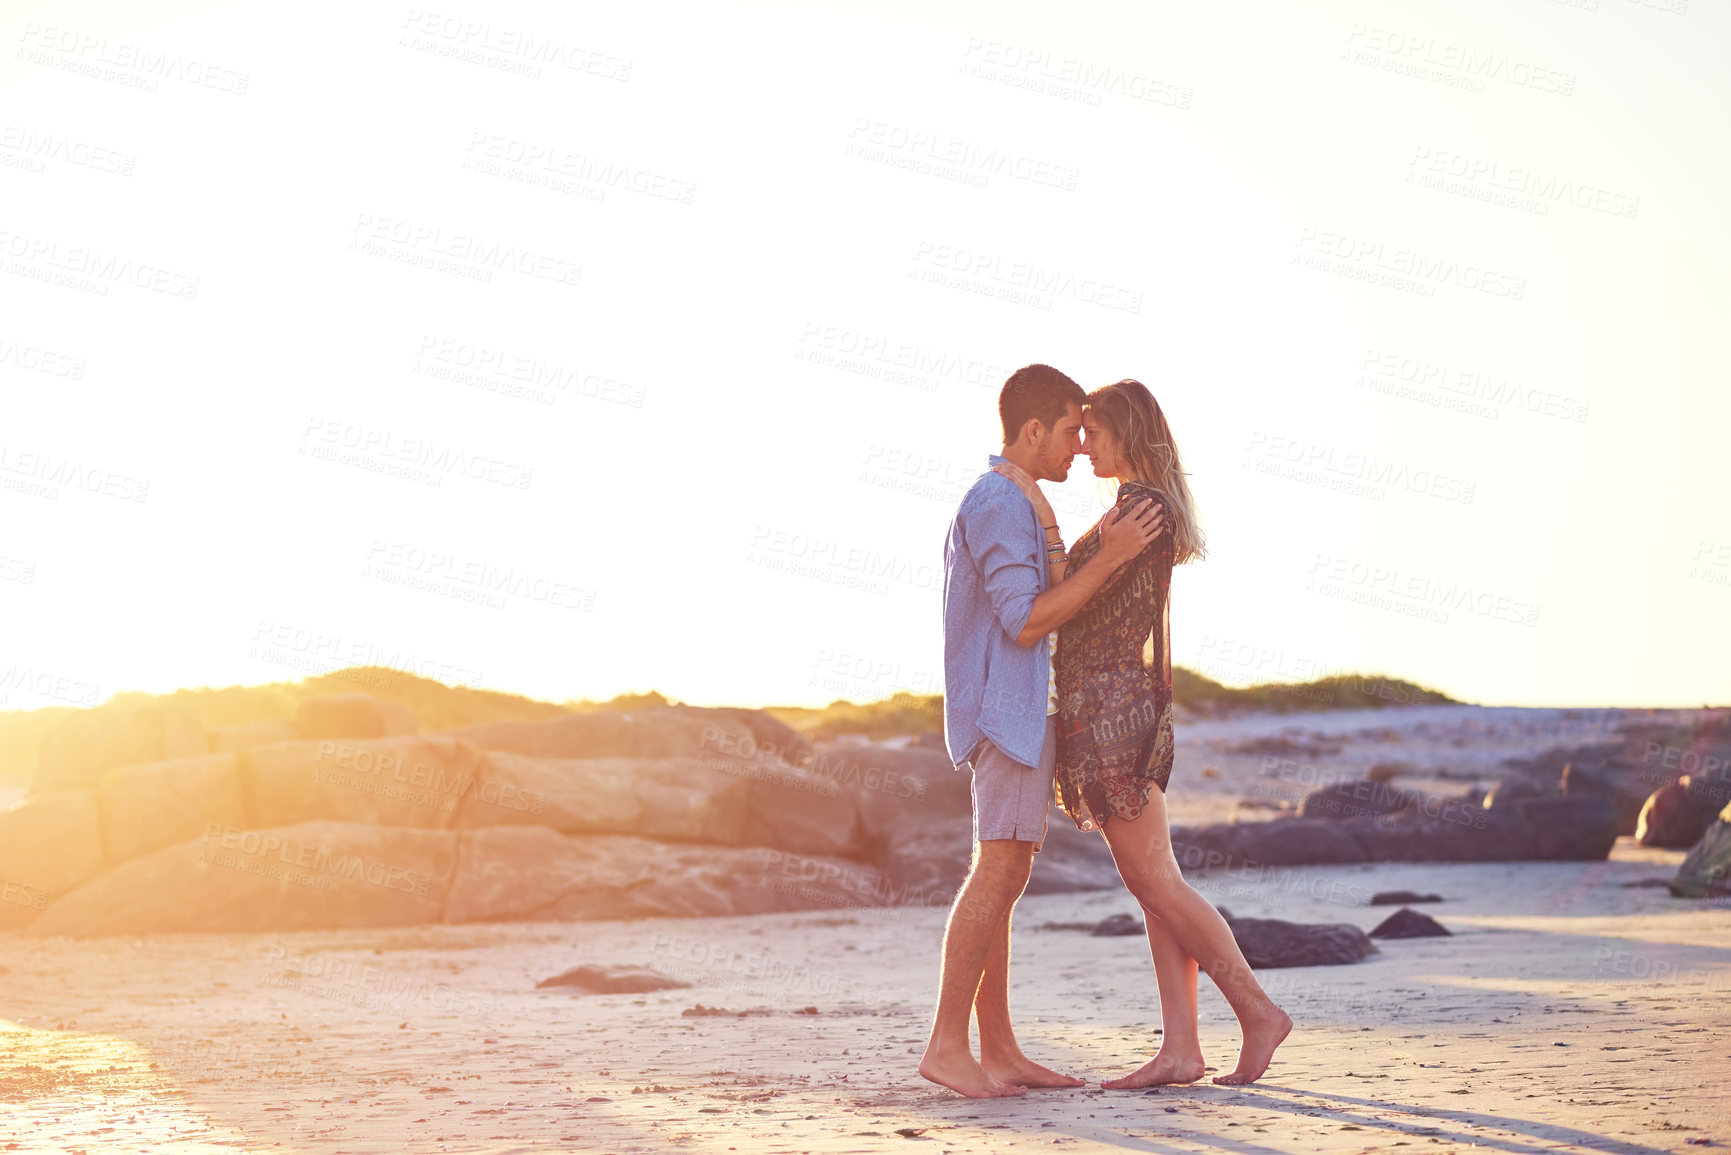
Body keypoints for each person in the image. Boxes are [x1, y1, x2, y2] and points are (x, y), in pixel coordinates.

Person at [995, 378, 1291, 1088]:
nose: (1084, 442)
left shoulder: (1142, 507)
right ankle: (1182, 1048)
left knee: (1153, 880)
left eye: (1093, 430)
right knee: (1157, 884)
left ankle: (1256, 1011)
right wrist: (1037, 503)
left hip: (1111, 711)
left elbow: (1074, 601)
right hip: (1112, 704)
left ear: (1126, 432)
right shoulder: (1138, 505)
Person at [920, 364, 1165, 1099]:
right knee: (996, 872)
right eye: (1067, 431)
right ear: (1032, 430)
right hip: (1008, 713)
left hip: (1024, 712)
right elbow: (1024, 620)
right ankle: (945, 1044)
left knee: (1006, 874)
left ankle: (998, 1050)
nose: (1076, 445)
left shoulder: (1017, 498)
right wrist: (1116, 557)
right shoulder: (999, 500)